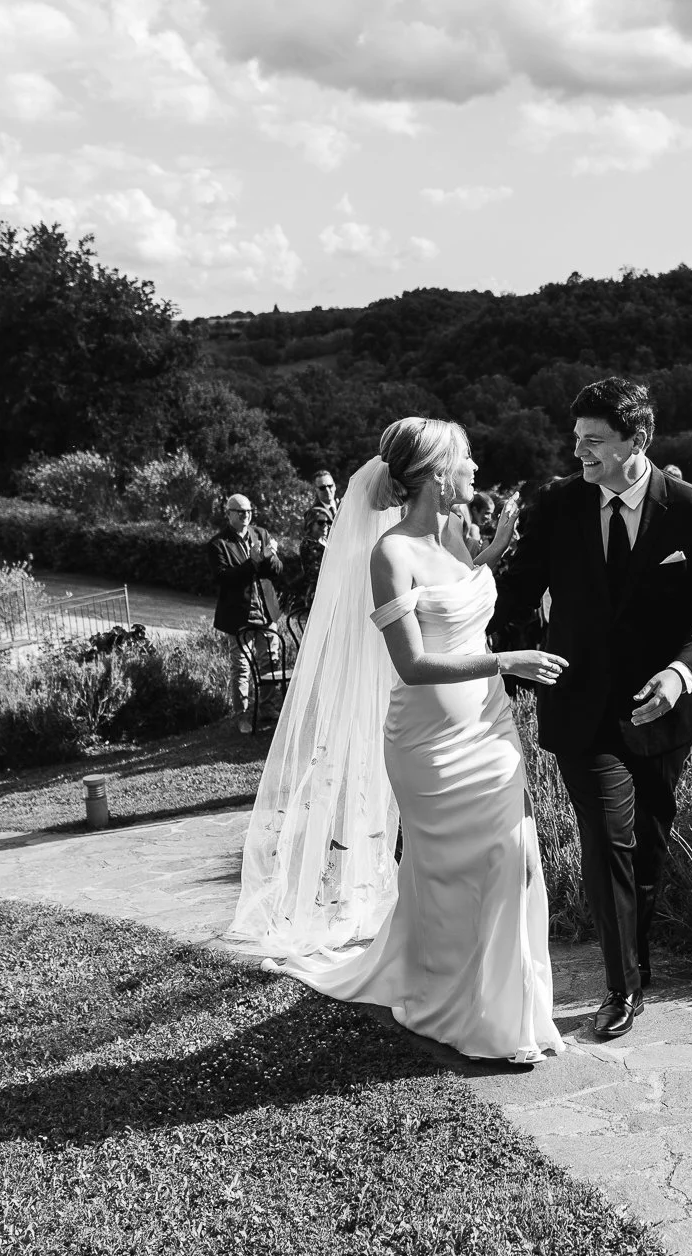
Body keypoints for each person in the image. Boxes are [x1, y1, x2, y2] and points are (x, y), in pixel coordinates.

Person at [227, 418, 567, 1064]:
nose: (476, 470)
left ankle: (508, 1010)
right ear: (439, 475)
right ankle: (456, 1009)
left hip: (488, 727)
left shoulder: (455, 535)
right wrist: (506, 661)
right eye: (466, 460)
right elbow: (412, 663)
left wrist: (493, 548)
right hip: (429, 744)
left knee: (512, 861)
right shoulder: (390, 554)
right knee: (449, 879)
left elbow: (461, 594)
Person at [492, 378, 692, 1041]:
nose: (581, 454)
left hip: (662, 714)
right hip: (579, 707)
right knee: (607, 841)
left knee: (648, 852)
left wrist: (682, 672)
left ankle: (636, 958)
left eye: (595, 441)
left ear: (639, 440)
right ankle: (620, 985)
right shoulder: (558, 505)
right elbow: (515, 593)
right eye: (577, 441)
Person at [211, 492, 285, 734]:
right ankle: (242, 716)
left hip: (265, 610)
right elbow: (223, 578)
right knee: (241, 667)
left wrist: (268, 557)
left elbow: (276, 571)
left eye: (249, 511)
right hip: (238, 615)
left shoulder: (260, 534)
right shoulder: (218, 544)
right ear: (229, 513)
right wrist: (252, 563)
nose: (246, 515)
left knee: (270, 661)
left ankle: (267, 709)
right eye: (240, 511)